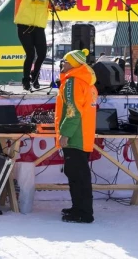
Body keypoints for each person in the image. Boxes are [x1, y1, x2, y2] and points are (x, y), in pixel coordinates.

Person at [54, 49, 97, 224]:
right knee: (79, 174)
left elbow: (73, 111)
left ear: (73, 63)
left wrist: (65, 134)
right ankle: (79, 208)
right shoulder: (87, 81)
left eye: (64, 61)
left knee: (77, 175)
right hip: (84, 135)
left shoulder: (73, 82)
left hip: (75, 136)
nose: (62, 64)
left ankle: (83, 213)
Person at [9, 0, 52, 91]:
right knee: (30, 54)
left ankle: (35, 76)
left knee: (42, 54)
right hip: (24, 26)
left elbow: (55, 6)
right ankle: (26, 80)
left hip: (39, 27)